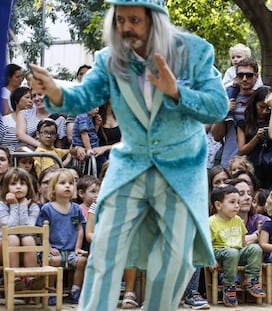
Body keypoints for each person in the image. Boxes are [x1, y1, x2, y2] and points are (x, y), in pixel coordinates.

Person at [30, 0, 228, 310]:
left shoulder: (193, 51)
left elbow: (218, 107)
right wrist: (56, 93)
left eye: (134, 19)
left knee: (178, 258)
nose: (125, 27)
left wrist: (177, 92)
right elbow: (85, 95)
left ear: (156, 20)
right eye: (120, 19)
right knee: (105, 249)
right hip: (130, 165)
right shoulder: (110, 59)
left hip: (180, 169)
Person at [36, 168, 88, 305]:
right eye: (62, 183)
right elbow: (42, 230)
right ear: (52, 189)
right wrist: (48, 247)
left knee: (82, 261)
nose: (67, 186)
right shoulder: (47, 208)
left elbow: (80, 229)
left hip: (71, 251)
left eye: (71, 183)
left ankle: (75, 291)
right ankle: (51, 290)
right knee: (53, 261)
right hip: (53, 251)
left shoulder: (76, 208)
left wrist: (77, 248)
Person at [209, 185, 266, 307]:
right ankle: (229, 286)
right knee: (232, 252)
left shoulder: (238, 220)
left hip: (237, 252)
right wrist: (210, 259)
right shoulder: (211, 222)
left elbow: (243, 241)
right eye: (232, 202)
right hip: (220, 253)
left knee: (255, 248)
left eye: (238, 202)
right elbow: (206, 244)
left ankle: (251, 279)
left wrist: (247, 249)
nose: (237, 205)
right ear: (218, 205)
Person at [212, 58, 259, 169]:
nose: (244, 79)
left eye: (249, 75)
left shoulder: (264, 98)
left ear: (256, 77)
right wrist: (224, 112)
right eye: (240, 75)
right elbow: (217, 136)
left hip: (258, 163)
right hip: (230, 162)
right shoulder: (227, 99)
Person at [0, 168, 42, 291]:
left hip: (23, 247)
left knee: (28, 238)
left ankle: (31, 278)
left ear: (29, 186)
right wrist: (14, 205)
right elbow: (9, 227)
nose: (18, 187)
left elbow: (27, 228)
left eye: (22, 184)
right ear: (6, 187)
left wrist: (23, 206)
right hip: (3, 247)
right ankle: (15, 279)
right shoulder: (2, 205)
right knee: (12, 238)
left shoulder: (33, 206)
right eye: (13, 184)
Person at [237, 86, 272, 189]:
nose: (264, 111)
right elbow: (242, 150)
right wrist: (256, 138)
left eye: (268, 108)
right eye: (261, 107)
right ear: (254, 104)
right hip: (252, 170)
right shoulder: (243, 123)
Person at [1, 86, 33, 151]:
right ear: (16, 100)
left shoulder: (34, 122)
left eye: (32, 98)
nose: (30, 101)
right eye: (27, 97)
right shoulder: (4, 121)